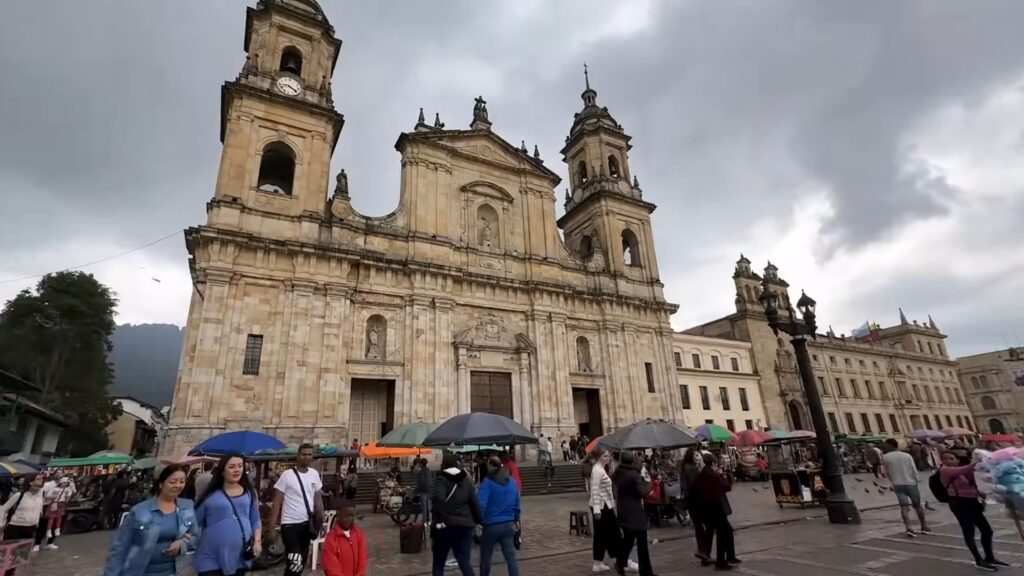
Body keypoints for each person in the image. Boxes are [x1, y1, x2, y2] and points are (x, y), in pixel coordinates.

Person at [102, 465, 198, 576]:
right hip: (140, 572)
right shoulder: (139, 511)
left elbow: (195, 536)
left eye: (182, 482)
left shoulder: (187, 507)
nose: (178, 486)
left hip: (175, 571)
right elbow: (119, 547)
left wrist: (182, 545)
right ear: (161, 484)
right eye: (173, 482)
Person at [937, 451, 1008, 571]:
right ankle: (978, 559)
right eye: (947, 459)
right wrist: (975, 462)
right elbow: (963, 470)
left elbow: (974, 482)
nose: (951, 461)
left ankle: (989, 557)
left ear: (957, 460)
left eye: (953, 458)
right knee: (969, 530)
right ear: (942, 461)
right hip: (958, 502)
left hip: (972, 502)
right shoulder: (945, 470)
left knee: (987, 530)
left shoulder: (963, 471)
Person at [195, 453, 262, 576]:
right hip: (210, 556)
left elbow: (255, 520)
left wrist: (257, 542)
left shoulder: (250, 493)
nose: (237, 470)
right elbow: (194, 522)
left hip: (239, 556)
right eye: (231, 467)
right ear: (222, 471)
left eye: (240, 466)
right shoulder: (209, 496)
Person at [268, 443, 325, 576]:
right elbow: (276, 503)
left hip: (307, 525)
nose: (306, 457)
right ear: (298, 456)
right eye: (304, 454)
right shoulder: (287, 475)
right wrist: (271, 528)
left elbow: (317, 500)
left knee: (300, 562)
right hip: (290, 525)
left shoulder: (314, 474)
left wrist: (320, 519)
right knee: (295, 560)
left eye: (309, 454)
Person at [430, 452, 481, 576]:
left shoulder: (442, 479)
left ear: (444, 464)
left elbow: (438, 500)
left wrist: (442, 518)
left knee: (438, 563)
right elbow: (474, 503)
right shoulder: (467, 480)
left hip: (446, 528)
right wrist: (478, 520)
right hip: (465, 526)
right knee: (464, 562)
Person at [690, 453, 739, 570]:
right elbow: (724, 487)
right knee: (723, 532)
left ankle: (727, 558)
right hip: (714, 507)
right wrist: (730, 480)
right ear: (713, 462)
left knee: (725, 531)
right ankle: (721, 562)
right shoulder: (711, 474)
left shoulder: (703, 473)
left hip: (706, 507)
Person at [611, 451, 655, 576]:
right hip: (635, 511)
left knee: (628, 539)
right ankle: (646, 571)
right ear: (632, 460)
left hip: (623, 509)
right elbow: (641, 492)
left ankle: (620, 563)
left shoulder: (618, 472)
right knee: (641, 541)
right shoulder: (633, 474)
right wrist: (647, 482)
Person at [477, 456, 520, 576]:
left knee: (486, 557)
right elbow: (516, 503)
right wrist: (515, 518)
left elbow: (481, 505)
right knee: (511, 557)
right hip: (508, 524)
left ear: (490, 466)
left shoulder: (487, 483)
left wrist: (478, 521)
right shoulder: (511, 481)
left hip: (491, 525)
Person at [879, 439, 930, 538]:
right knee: (917, 506)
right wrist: (916, 480)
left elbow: (886, 472)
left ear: (891, 445)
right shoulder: (906, 456)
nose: (884, 446)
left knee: (904, 507)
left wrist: (892, 481)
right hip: (910, 483)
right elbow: (913, 469)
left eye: (885, 445)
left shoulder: (884, 458)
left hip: (897, 485)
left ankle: (909, 527)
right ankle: (924, 526)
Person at [589, 449, 618, 573]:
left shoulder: (601, 469)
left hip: (605, 504)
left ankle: (604, 560)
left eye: (609, 455)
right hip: (601, 506)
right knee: (606, 533)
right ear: (599, 457)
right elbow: (594, 489)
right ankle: (614, 559)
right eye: (605, 456)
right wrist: (597, 510)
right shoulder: (597, 470)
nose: (608, 458)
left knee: (606, 534)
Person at [321, 500, 367, 576]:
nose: (350, 519)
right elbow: (331, 567)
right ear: (338, 516)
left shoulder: (358, 534)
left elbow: (362, 560)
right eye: (346, 516)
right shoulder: (331, 539)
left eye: (352, 516)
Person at [0, 475, 45, 552]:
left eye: (42, 479)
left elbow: (39, 508)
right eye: (38, 479)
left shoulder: (41, 494)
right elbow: (3, 509)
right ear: (30, 482)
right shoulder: (20, 495)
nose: (41, 481)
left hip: (31, 527)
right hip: (15, 527)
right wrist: (1, 524)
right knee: (10, 552)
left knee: (23, 553)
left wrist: (37, 519)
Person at [680, 448, 708, 563]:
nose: (698, 457)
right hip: (698, 501)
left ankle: (702, 552)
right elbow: (695, 485)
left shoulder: (685, 467)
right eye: (696, 455)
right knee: (705, 526)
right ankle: (703, 551)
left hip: (692, 502)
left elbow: (685, 486)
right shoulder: (692, 468)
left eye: (699, 455)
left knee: (699, 527)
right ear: (692, 457)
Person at [42, 475, 75, 549]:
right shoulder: (54, 488)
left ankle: (57, 530)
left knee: (59, 518)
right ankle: (48, 531)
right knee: (51, 518)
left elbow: (70, 493)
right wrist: (54, 495)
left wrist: (69, 492)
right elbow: (48, 496)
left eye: (67, 483)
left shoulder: (66, 489)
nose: (65, 484)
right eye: (65, 483)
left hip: (61, 504)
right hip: (54, 504)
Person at [415, 457, 433, 524]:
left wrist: (418, 490)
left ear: (421, 464)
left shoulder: (421, 472)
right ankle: (429, 520)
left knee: (424, 507)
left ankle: (424, 520)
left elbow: (421, 482)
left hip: (423, 491)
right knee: (428, 506)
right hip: (429, 490)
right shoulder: (428, 470)